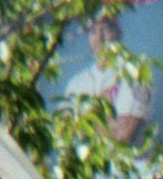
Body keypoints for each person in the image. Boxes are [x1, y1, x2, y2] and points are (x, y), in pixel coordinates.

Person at [65, 14, 154, 144]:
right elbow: (67, 133)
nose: (99, 38)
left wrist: (87, 122)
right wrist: (107, 122)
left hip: (131, 161)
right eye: (93, 31)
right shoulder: (76, 83)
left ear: (117, 34)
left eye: (106, 30)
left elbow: (122, 135)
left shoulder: (135, 73)